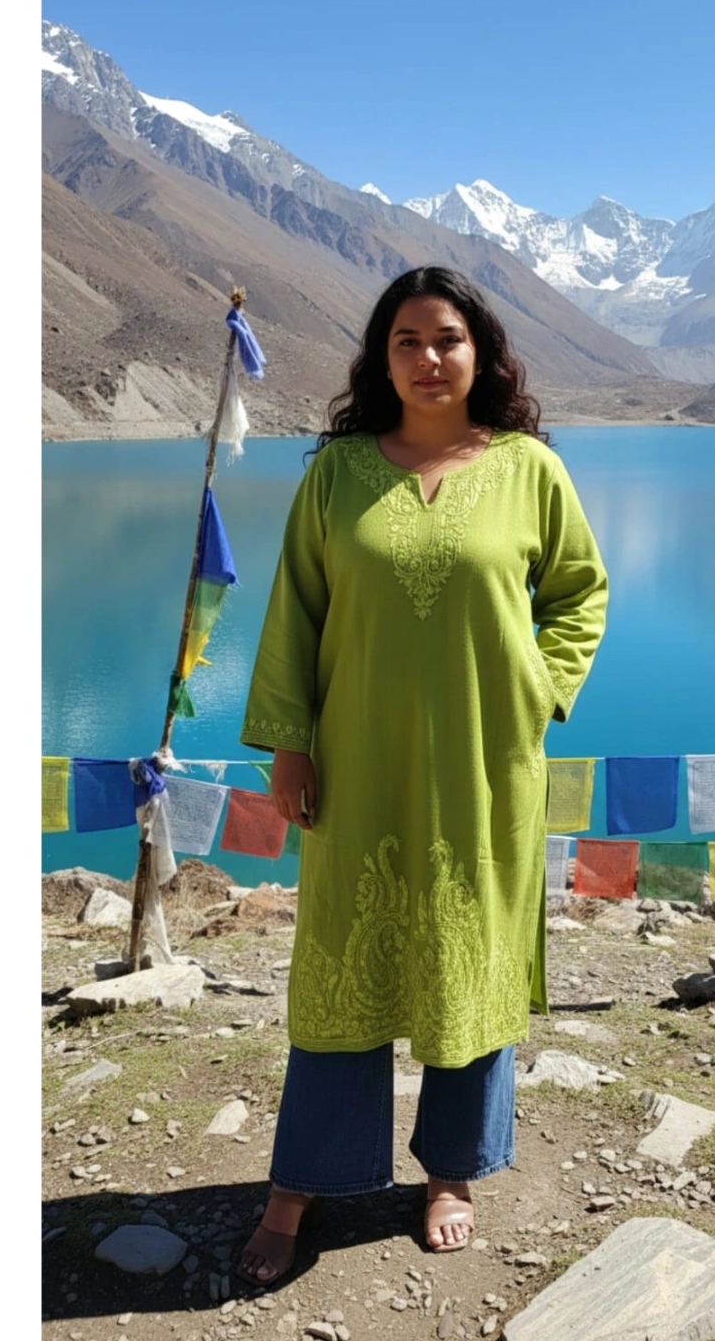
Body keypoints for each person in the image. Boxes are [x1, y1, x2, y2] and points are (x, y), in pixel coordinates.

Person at [236, 265, 608, 1284]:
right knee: (339, 963)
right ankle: (298, 1186)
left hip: (486, 764)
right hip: (357, 762)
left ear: (480, 352)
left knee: (470, 958)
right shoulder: (338, 474)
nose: (429, 358)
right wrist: (290, 743)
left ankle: (453, 1172)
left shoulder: (530, 470)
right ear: (381, 357)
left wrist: (540, 685)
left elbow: (580, 592)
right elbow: (294, 611)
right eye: (407, 340)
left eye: (447, 338)